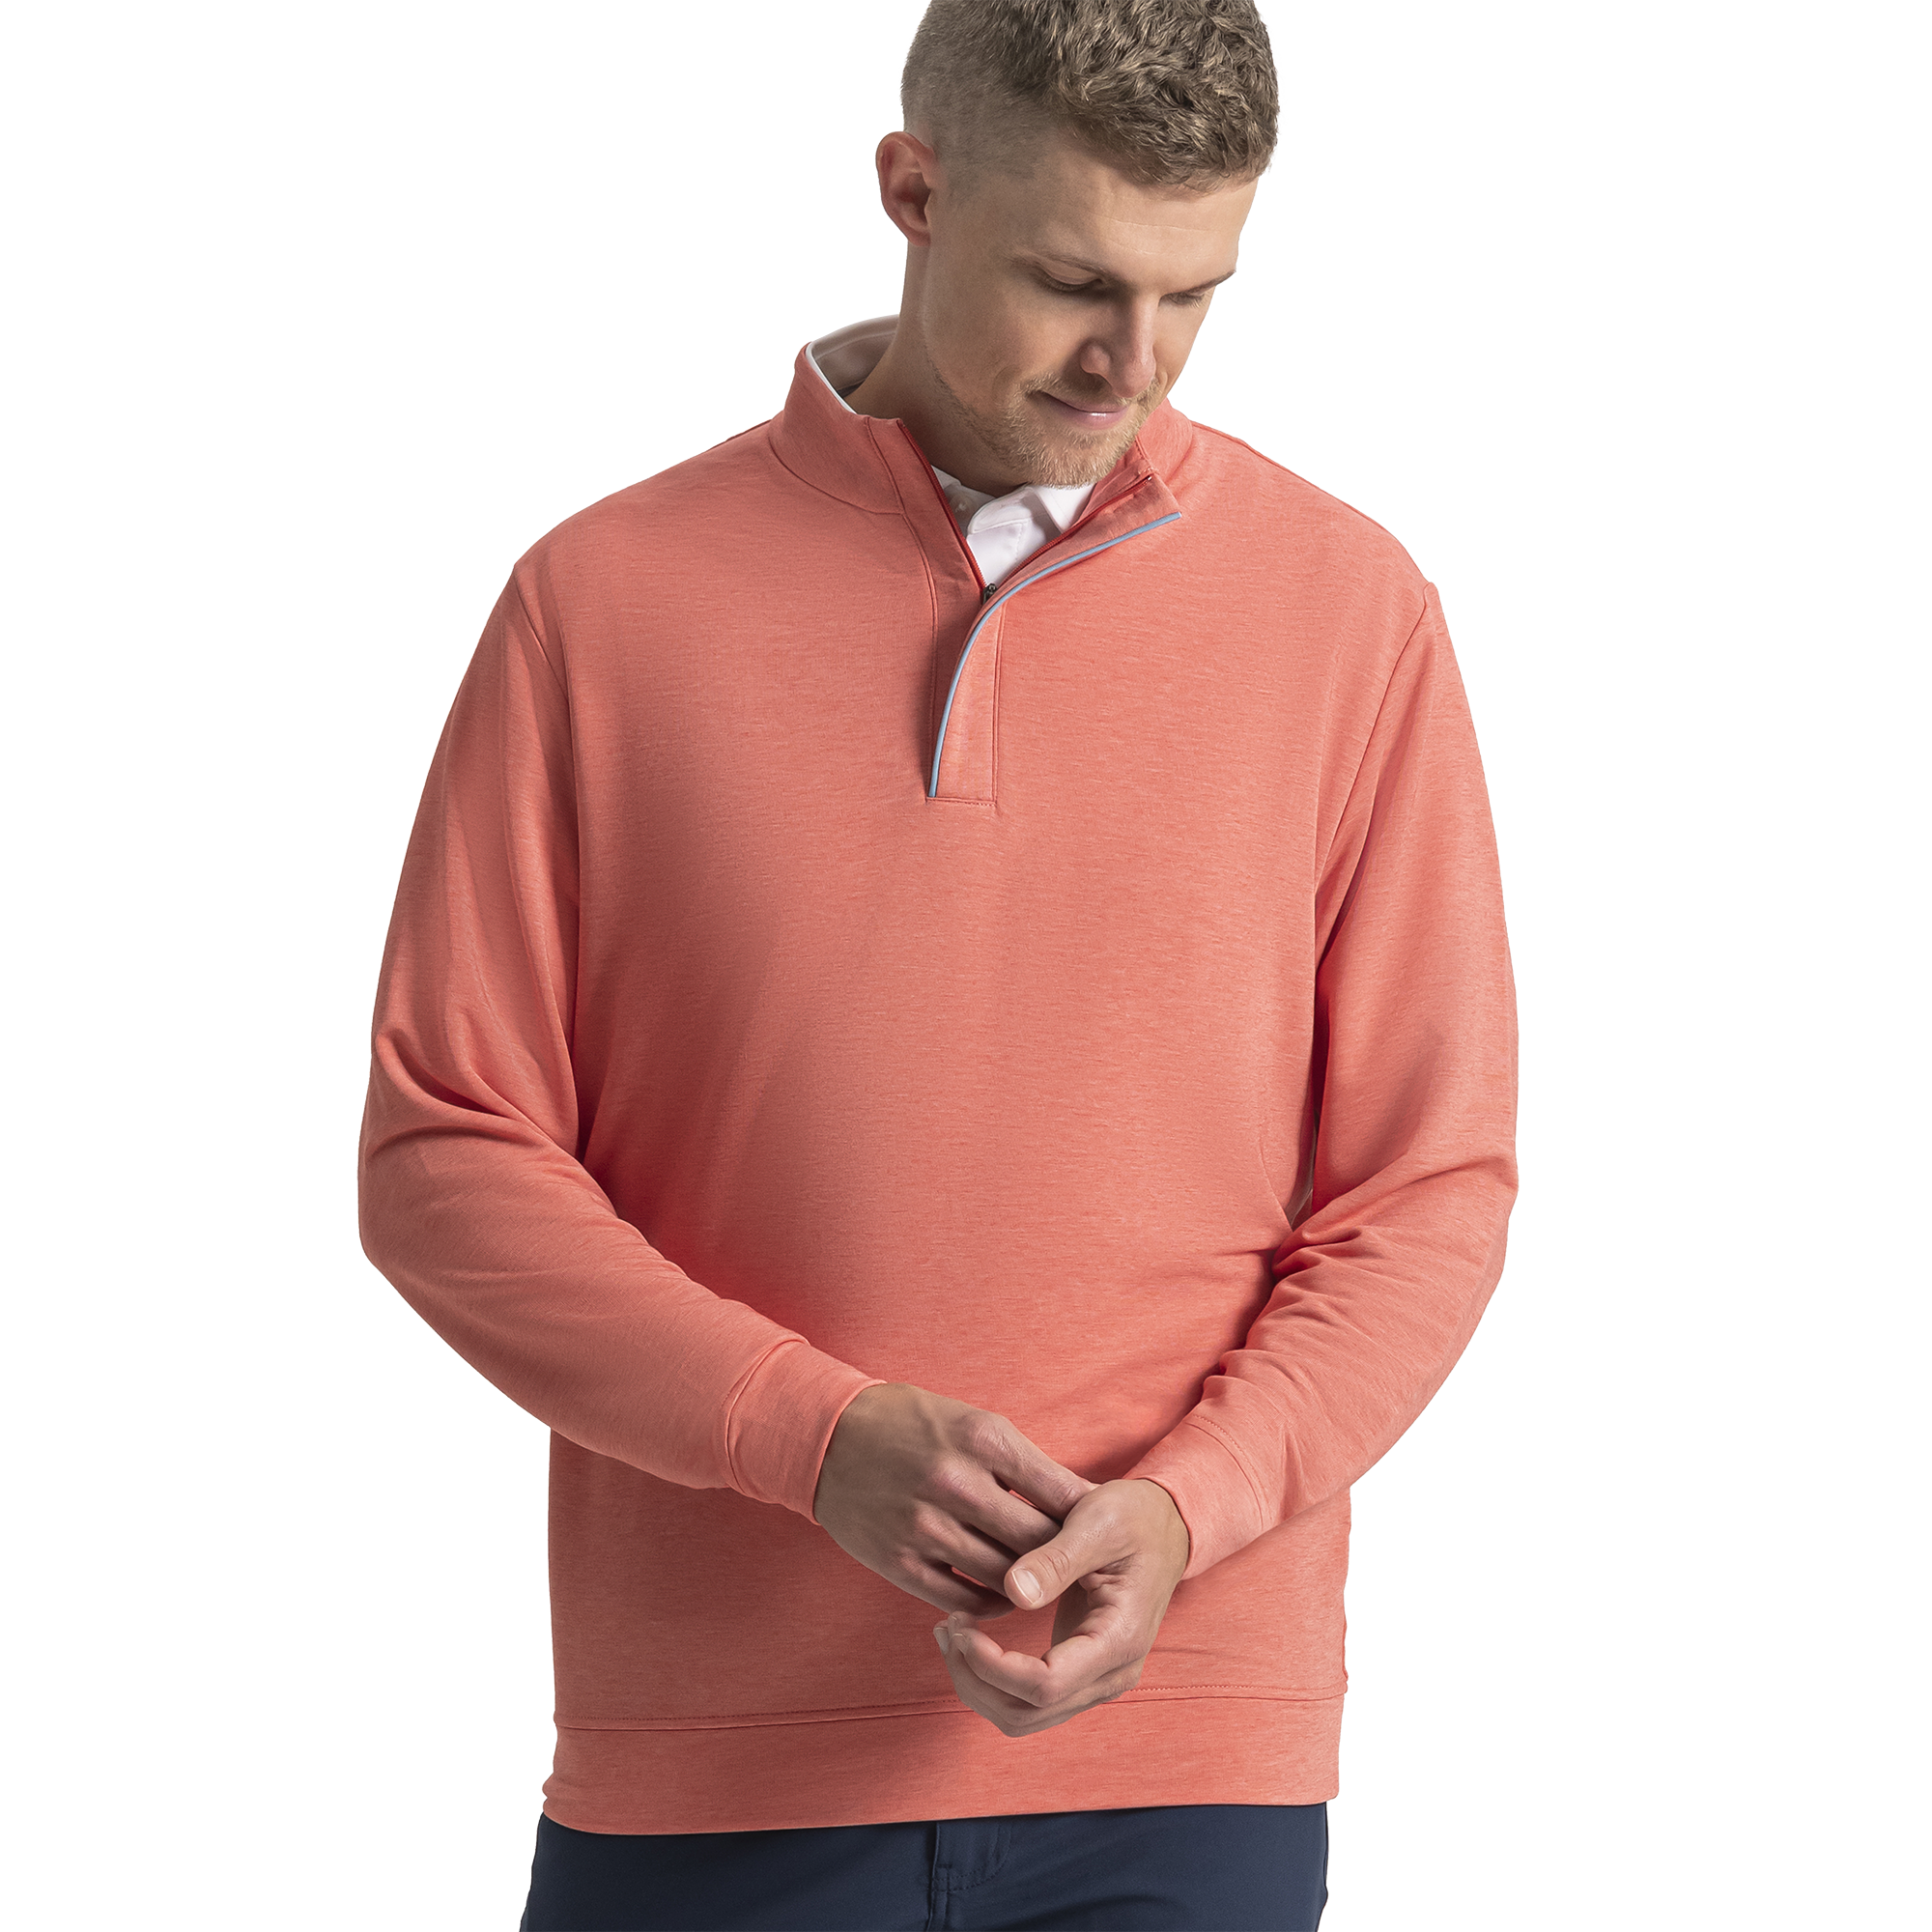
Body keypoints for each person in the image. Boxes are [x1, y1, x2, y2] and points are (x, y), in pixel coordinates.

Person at [356, 1, 1519, 1925]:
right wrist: (808, 1438)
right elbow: (444, 1157)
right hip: (713, 1760)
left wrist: (1189, 1510)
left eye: (1192, 294)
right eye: (1073, 280)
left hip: (1186, 1758)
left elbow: (1426, 1187)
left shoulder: (1349, 613)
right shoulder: (604, 601)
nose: (1131, 361)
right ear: (910, 191)